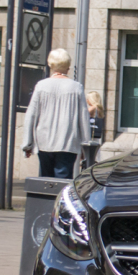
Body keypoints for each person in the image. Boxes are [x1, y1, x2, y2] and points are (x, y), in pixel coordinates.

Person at [22, 49, 90, 180]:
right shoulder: (76, 87)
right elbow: (84, 117)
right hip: (67, 142)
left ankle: (46, 201)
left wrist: (27, 143)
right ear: (68, 65)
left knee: (45, 181)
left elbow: (31, 114)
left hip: (44, 142)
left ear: (50, 64)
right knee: (63, 180)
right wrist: (85, 145)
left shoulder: (41, 86)